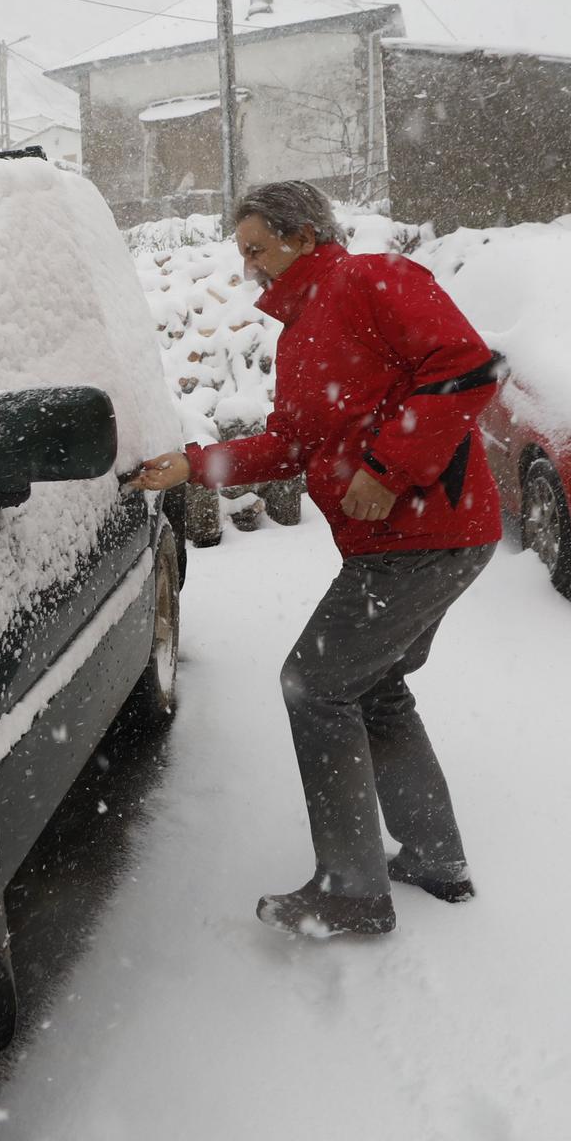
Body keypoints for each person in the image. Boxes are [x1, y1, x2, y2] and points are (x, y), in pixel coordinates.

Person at [129, 180, 504, 938]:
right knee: (373, 685)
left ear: (302, 235)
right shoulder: (302, 331)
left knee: (315, 683)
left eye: (257, 248)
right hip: (403, 541)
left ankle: (353, 891)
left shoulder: (370, 279)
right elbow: (290, 446)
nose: (251, 267)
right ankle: (435, 856)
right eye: (244, 254)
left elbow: (467, 367)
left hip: (426, 534)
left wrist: (388, 468)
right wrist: (194, 465)